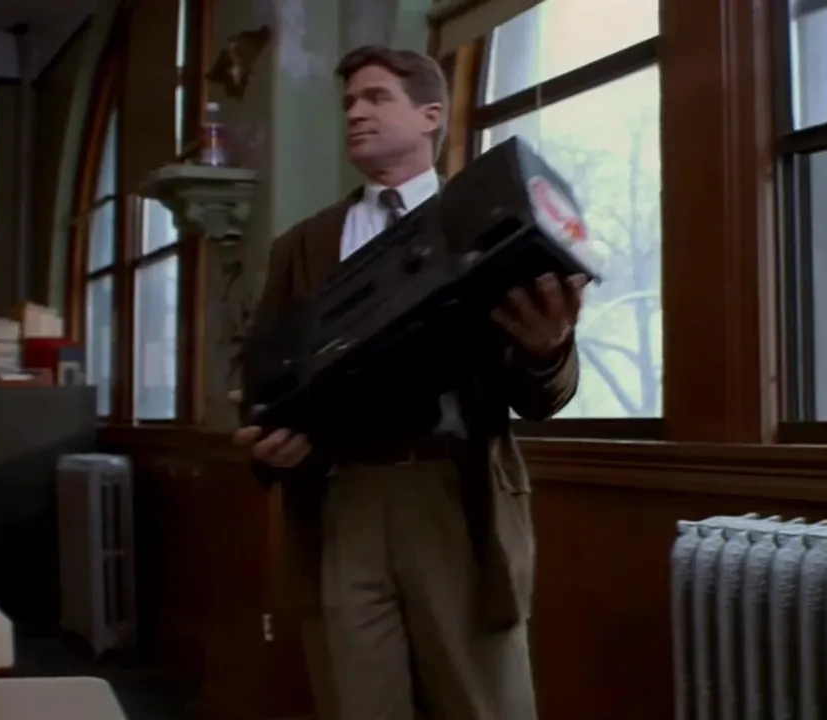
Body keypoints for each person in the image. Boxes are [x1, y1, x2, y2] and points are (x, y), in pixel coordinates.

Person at [230, 44, 586, 720]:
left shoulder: (491, 219)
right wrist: (265, 444)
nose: (355, 113)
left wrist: (549, 348)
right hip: (342, 503)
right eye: (348, 103)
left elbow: (543, 395)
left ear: (431, 116)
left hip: (456, 498)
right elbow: (263, 379)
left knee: (485, 706)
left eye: (375, 97)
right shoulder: (300, 247)